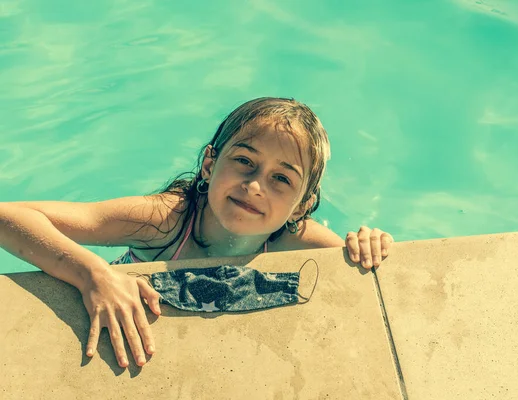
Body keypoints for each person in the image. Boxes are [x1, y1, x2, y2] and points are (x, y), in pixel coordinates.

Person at [0, 97, 394, 368]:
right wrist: (93, 274)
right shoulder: (165, 219)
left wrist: (369, 243)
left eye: (281, 179)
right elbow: (7, 217)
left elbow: (372, 274)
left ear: (303, 204)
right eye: (243, 161)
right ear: (209, 164)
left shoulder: (292, 237)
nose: (255, 186)